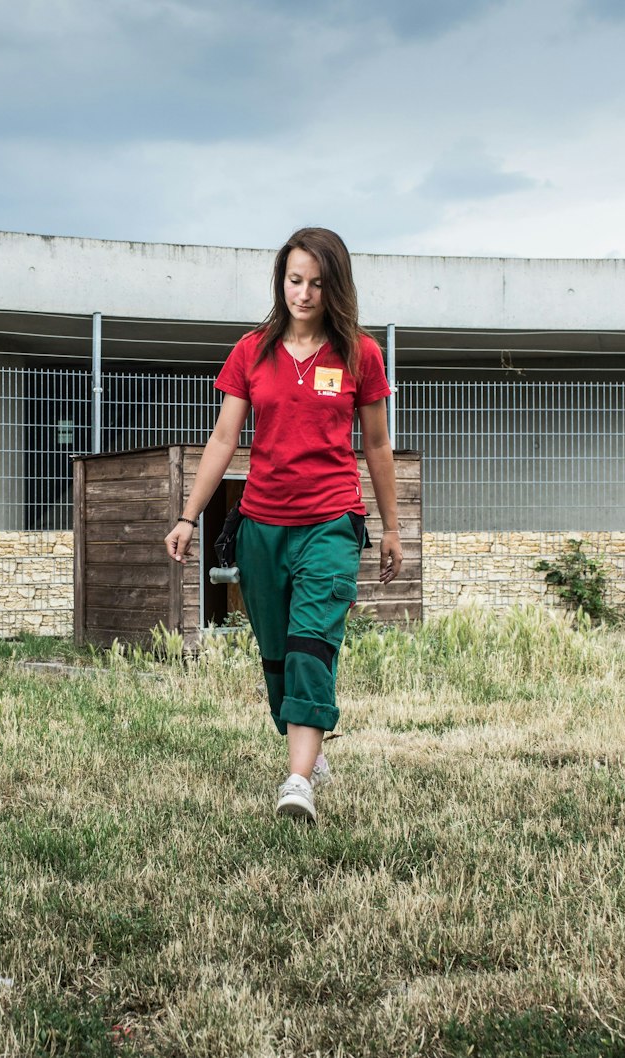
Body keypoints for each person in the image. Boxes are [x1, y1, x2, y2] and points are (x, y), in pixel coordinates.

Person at [163, 226, 402, 823]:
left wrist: (392, 527)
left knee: (311, 643)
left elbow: (376, 445)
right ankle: (308, 739)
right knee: (275, 653)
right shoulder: (253, 351)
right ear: (281, 281)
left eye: (317, 283)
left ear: (334, 288)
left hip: (331, 521)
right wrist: (189, 515)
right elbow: (224, 438)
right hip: (262, 526)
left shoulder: (360, 355)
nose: (304, 293)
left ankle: (298, 781)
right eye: (295, 280)